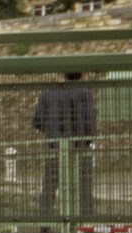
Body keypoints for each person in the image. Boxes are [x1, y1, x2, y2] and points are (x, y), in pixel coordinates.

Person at [32, 71, 95, 218]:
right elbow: (89, 122)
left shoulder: (48, 93)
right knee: (83, 188)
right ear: (81, 76)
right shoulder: (85, 93)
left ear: (62, 74)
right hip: (79, 148)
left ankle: (45, 223)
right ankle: (85, 223)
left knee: (49, 187)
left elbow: (37, 121)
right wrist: (87, 140)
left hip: (54, 148)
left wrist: (50, 130)